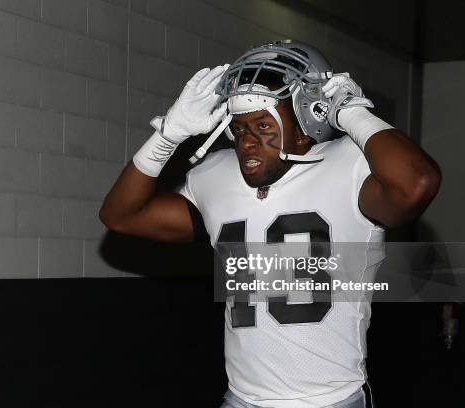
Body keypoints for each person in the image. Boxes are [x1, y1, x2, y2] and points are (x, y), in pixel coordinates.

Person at [99, 40, 441, 407]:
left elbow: (417, 183)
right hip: (243, 399)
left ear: (308, 120)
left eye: (263, 125)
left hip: (330, 400)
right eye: (241, 128)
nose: (248, 142)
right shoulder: (215, 175)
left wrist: (350, 112)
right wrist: (167, 136)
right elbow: (120, 216)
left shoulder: (350, 165)